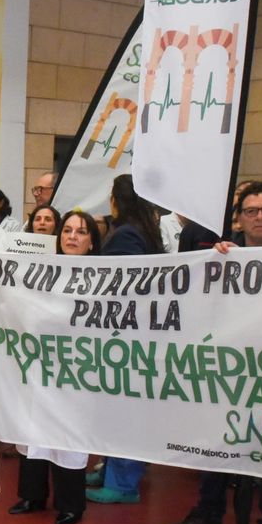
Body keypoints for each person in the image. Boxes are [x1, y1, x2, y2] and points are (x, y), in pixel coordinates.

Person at [163, 181, 262, 524]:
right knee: (216, 444)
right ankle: (208, 514)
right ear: (239, 218)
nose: (259, 218)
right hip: (227, 368)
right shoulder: (223, 253)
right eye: (251, 211)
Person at [9, 209, 99, 524]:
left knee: (68, 435)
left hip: (78, 370)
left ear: (91, 241)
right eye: (68, 231)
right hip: (39, 365)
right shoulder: (42, 270)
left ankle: (71, 504)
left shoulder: (105, 275)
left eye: (81, 231)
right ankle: (32, 495)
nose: (72, 236)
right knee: (34, 432)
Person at [84, 174, 163, 505]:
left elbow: (121, 285)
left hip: (125, 333)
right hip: (137, 333)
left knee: (122, 409)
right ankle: (115, 468)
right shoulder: (144, 232)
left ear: (117, 199)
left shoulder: (126, 235)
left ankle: (122, 482)